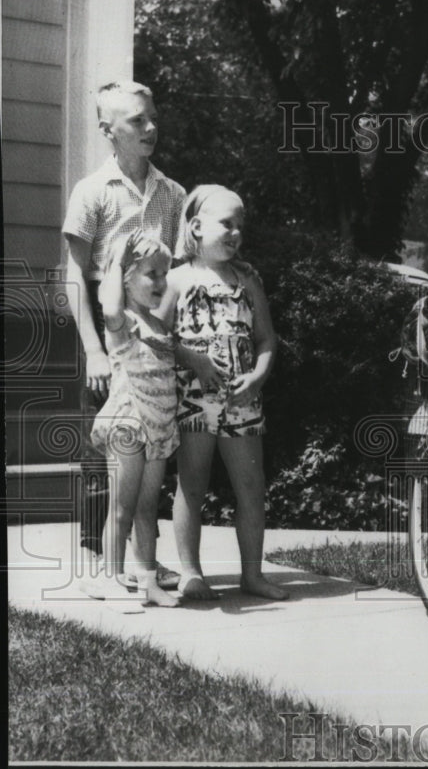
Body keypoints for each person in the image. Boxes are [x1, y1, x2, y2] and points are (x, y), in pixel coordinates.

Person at [63, 80, 186, 588]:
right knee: (112, 442)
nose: (150, 127)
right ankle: (99, 556)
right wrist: (94, 349)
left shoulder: (173, 193)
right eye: (137, 120)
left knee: (151, 440)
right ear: (107, 130)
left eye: (152, 116)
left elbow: (174, 274)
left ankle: (143, 558)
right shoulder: (92, 191)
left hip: (153, 320)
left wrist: (167, 334)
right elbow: (73, 271)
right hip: (105, 318)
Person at [155, 185, 288, 602]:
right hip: (195, 400)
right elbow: (157, 335)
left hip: (243, 400)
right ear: (195, 226)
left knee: (251, 486)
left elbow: (267, 340)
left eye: (239, 226)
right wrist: (193, 360)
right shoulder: (177, 278)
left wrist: (259, 378)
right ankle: (191, 572)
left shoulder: (247, 279)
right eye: (225, 224)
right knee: (191, 485)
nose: (235, 233)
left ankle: (253, 574)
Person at [80, 232, 180, 609]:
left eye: (164, 274)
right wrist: (118, 257)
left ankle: (148, 580)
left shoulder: (157, 324)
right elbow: (107, 307)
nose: (160, 282)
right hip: (128, 423)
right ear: (124, 279)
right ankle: (111, 578)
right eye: (151, 274)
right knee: (121, 507)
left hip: (158, 426)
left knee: (146, 508)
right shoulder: (121, 323)